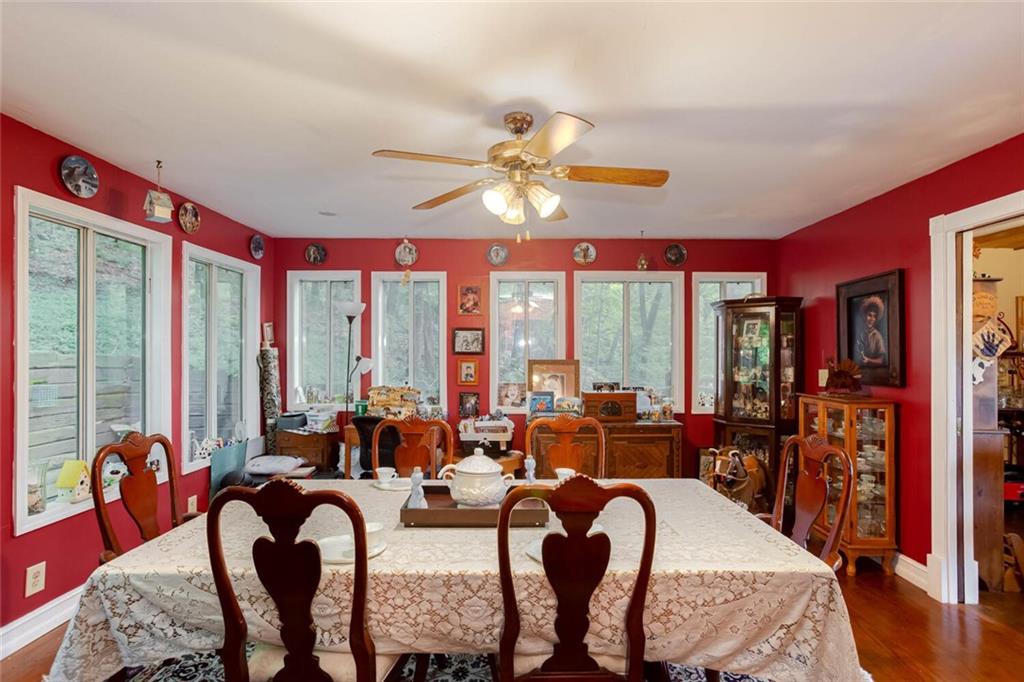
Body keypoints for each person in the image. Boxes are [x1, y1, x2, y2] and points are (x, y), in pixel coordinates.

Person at [855, 295, 887, 367]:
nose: (872, 319)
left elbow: (881, 360)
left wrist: (868, 360)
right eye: (869, 315)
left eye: (874, 316)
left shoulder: (877, 336)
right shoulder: (860, 334)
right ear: (864, 315)